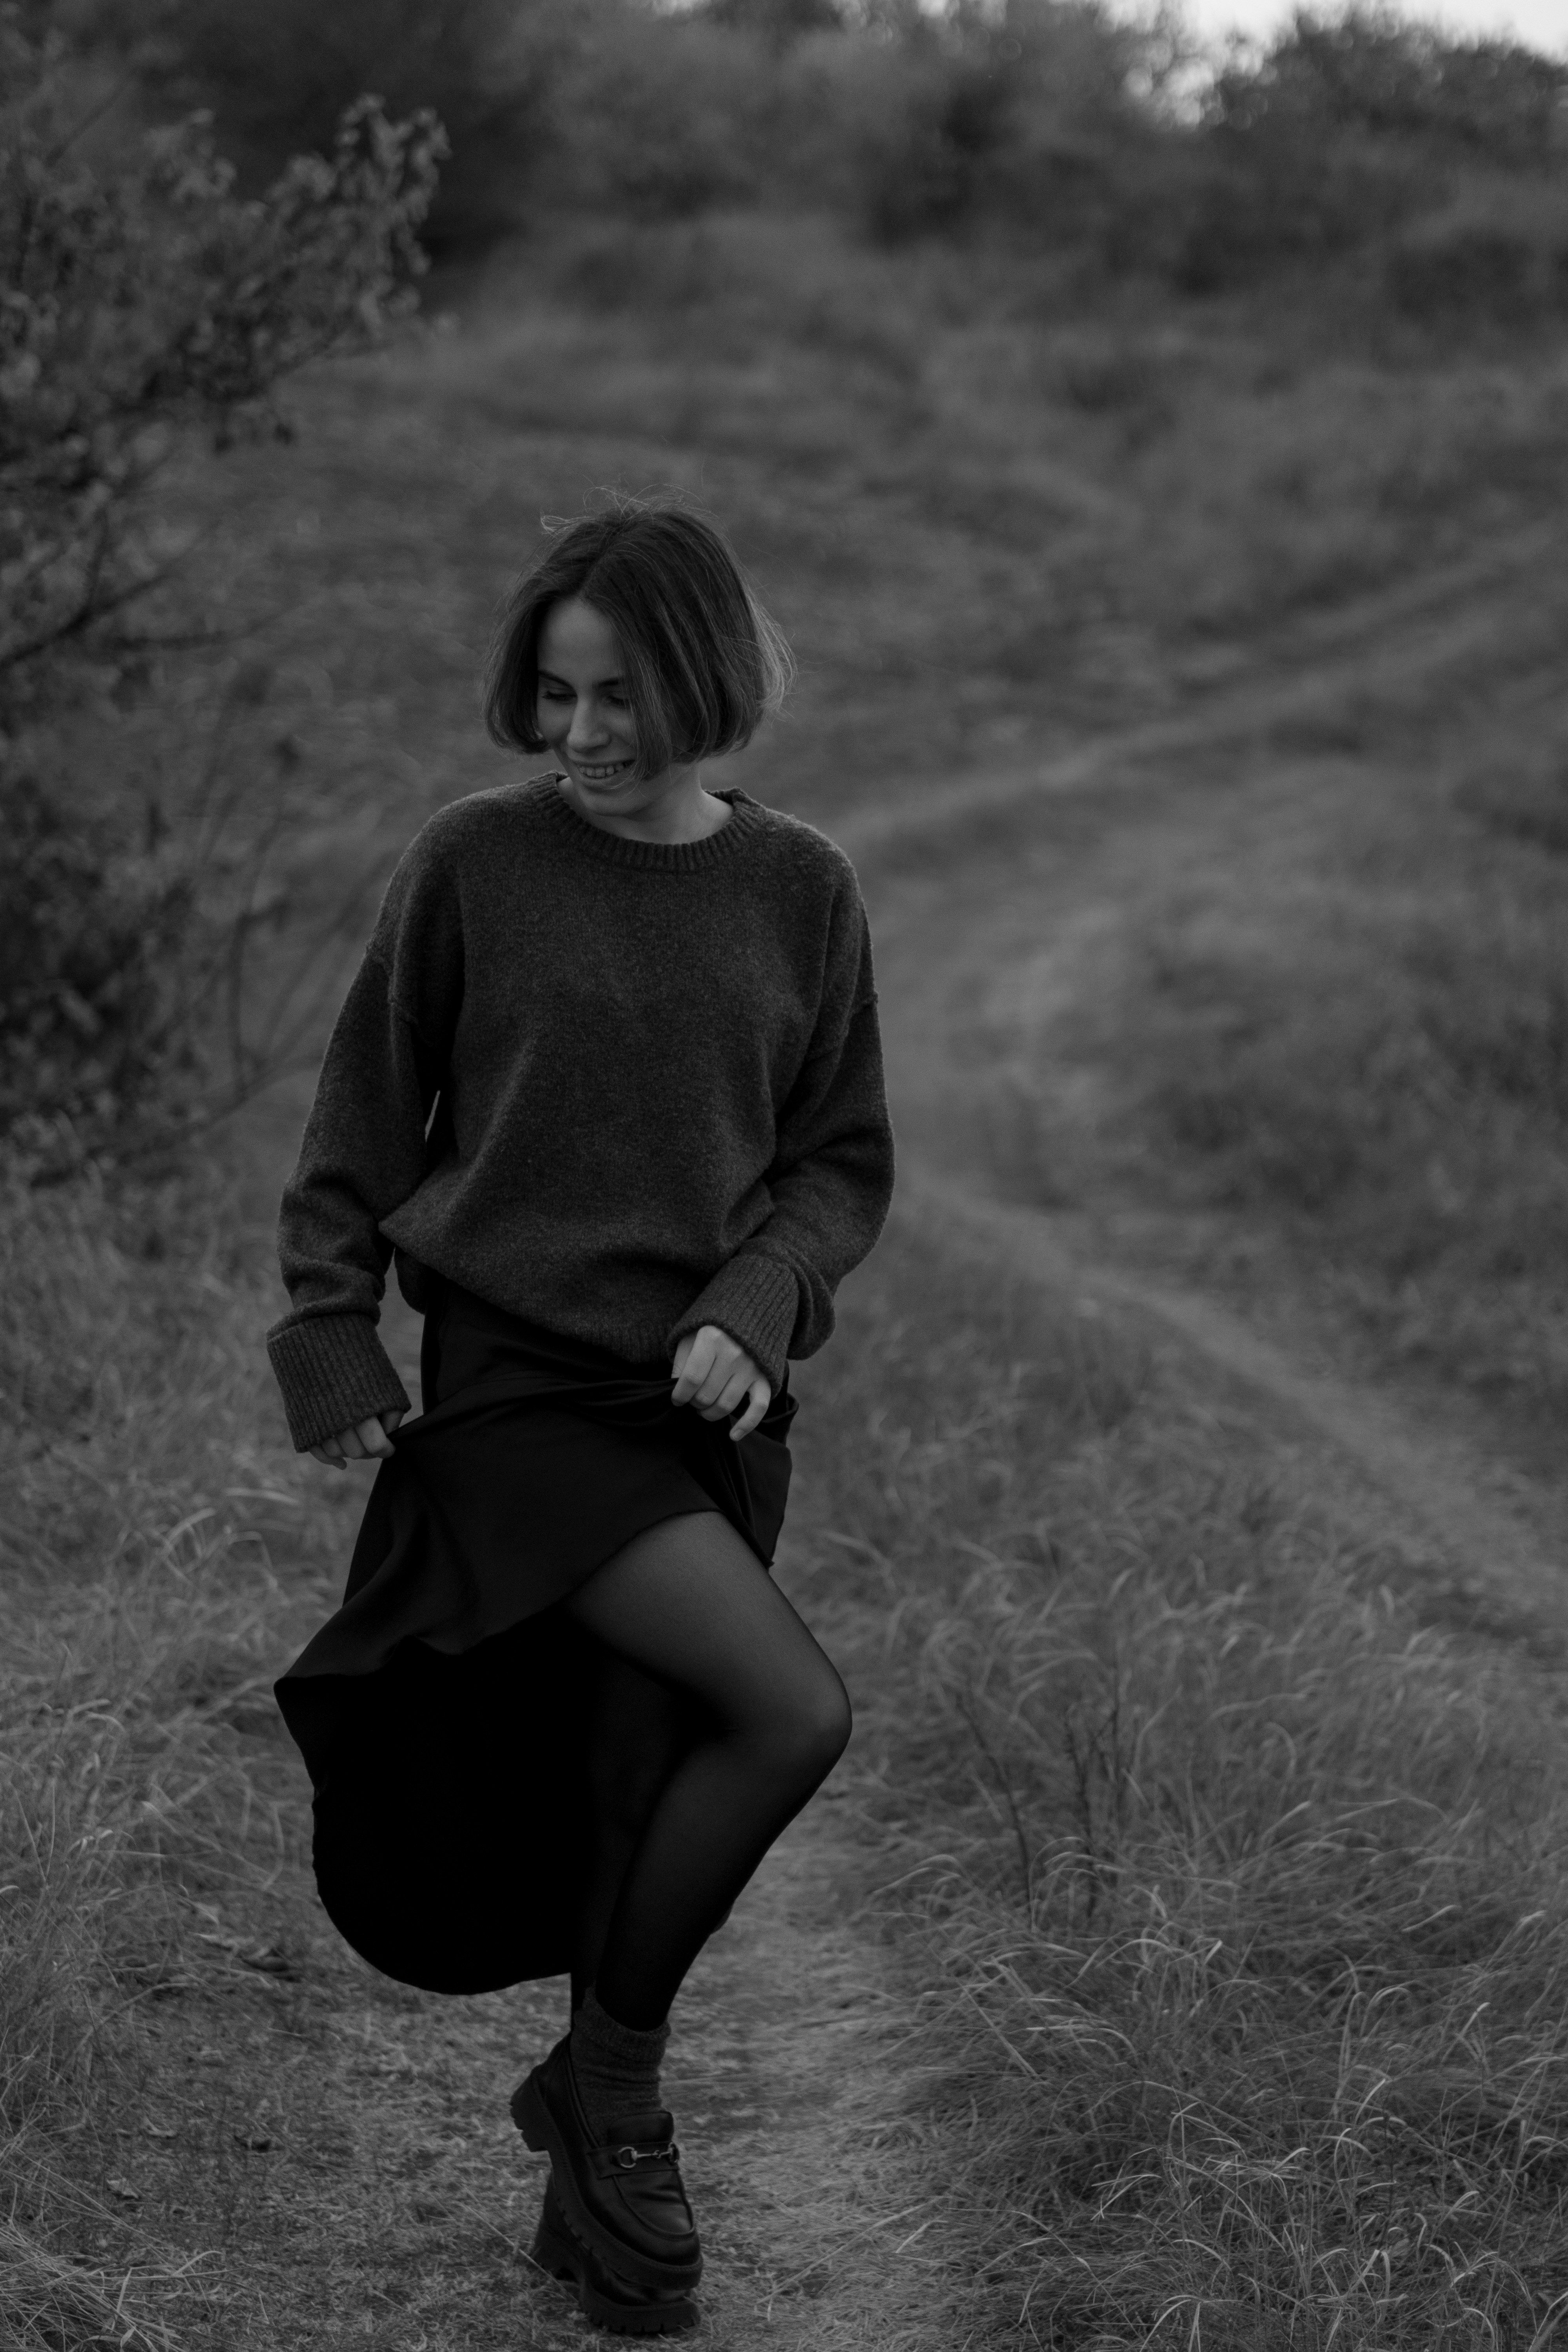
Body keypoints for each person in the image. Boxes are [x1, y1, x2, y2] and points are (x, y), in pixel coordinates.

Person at [265, 498, 895, 2334]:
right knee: (790, 1708)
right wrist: (333, 1343)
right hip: (521, 1400)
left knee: (631, 1777)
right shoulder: (474, 864)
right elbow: (357, 1131)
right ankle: (612, 2098)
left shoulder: (802, 892)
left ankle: (590, 2183)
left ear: (705, 680)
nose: (584, 736)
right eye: (554, 695)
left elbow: (833, 1169)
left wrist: (756, 1307)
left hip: (700, 1403)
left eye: (619, 695)